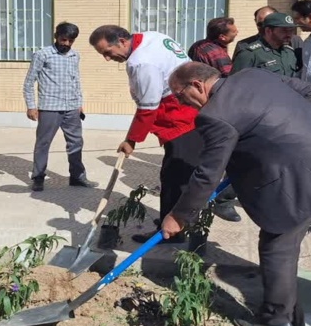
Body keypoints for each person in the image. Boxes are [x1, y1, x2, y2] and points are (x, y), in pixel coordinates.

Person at [161, 63, 311, 326]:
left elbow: (207, 174)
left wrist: (178, 216)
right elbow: (308, 91)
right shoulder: (253, 74)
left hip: (302, 178)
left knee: (278, 246)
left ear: (197, 85)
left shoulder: (214, 116)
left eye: (180, 96)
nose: (182, 103)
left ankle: (276, 319)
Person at [89, 25, 200, 244]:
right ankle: (177, 224)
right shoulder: (153, 36)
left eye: (108, 52)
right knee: (176, 174)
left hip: (181, 116)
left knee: (174, 177)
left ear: (122, 41)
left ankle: (172, 232)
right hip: (191, 108)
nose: (108, 59)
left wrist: (131, 140)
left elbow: (149, 107)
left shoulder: (142, 61)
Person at [23, 22, 95, 192]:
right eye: (64, 40)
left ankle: (77, 177)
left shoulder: (75, 56)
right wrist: (31, 106)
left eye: (71, 41)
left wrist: (79, 104)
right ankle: (38, 177)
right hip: (50, 107)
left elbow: (76, 81)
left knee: (76, 142)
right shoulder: (42, 55)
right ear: (56, 36)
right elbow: (28, 82)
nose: (67, 44)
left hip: (71, 107)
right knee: (43, 143)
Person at [188, 16, 241, 222]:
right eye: (233, 31)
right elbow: (230, 79)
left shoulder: (199, 45)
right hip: (218, 105)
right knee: (223, 153)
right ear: (222, 37)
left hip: (203, 106)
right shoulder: (217, 53)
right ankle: (218, 199)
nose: (237, 32)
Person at [231, 12, 300, 76]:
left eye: (291, 30)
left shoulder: (289, 52)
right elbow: (235, 84)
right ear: (268, 31)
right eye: (283, 30)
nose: (289, 34)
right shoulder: (249, 54)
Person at [234, 6, 303, 59]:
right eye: (261, 24)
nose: (265, 28)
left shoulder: (294, 41)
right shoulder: (244, 45)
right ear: (255, 22)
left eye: (270, 24)